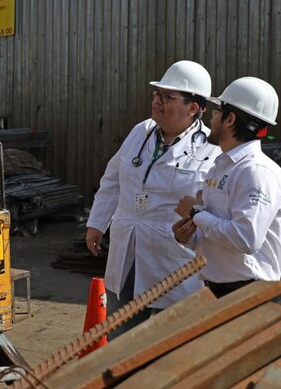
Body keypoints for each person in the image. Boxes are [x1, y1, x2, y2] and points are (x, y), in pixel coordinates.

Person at [85, 60, 222, 336]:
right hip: (128, 251)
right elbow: (113, 178)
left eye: (167, 97)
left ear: (193, 108)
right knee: (119, 340)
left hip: (173, 261)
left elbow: (215, 207)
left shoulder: (211, 150)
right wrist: (97, 223)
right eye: (157, 95)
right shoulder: (141, 132)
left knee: (166, 350)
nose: (157, 102)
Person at [173, 77, 281, 297]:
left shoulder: (257, 172)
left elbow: (246, 239)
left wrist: (196, 212)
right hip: (221, 291)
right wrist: (188, 237)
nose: (212, 116)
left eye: (217, 111)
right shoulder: (222, 166)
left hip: (248, 294)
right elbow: (217, 235)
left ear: (230, 119)